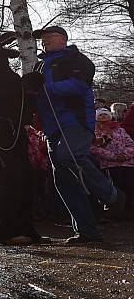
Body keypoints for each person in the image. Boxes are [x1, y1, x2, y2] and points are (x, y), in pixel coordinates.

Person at [28, 25, 126, 244]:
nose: (45, 41)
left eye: (49, 37)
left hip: (76, 121)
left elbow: (79, 86)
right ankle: (87, 231)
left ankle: (112, 196)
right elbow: (38, 98)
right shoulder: (40, 65)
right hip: (52, 129)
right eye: (42, 39)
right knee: (62, 178)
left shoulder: (78, 60)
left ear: (63, 38)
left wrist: (45, 86)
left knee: (69, 157)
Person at [91, 108, 134, 219]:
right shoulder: (94, 132)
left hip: (127, 163)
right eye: (101, 115)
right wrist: (113, 157)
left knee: (129, 186)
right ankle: (117, 211)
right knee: (116, 187)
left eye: (106, 114)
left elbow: (131, 144)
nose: (104, 117)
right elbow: (94, 148)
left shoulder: (120, 130)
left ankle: (129, 210)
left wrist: (125, 155)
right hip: (109, 165)